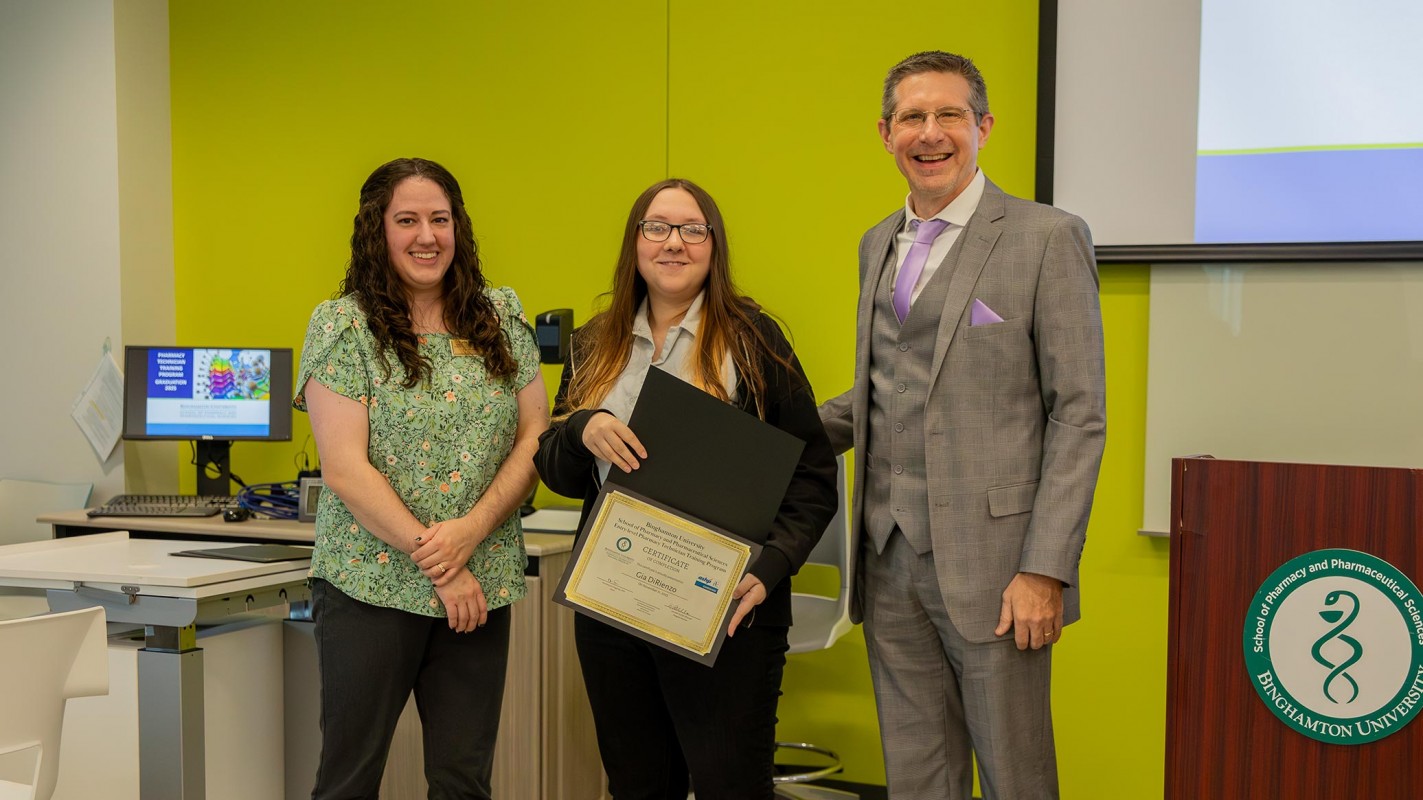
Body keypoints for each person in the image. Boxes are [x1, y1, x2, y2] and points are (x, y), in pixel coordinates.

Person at [818, 52, 1106, 799]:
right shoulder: (874, 242)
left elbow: (1078, 415)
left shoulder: (1047, 238)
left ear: (982, 127)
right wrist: (756, 427)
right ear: (885, 134)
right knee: (917, 777)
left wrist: (1046, 568)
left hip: (999, 568)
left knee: (1014, 777)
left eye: (949, 115)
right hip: (887, 562)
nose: (930, 133)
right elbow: (885, 388)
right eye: (911, 117)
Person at [533, 178, 838, 800]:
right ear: (635, 243)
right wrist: (581, 429)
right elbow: (558, 473)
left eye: (692, 229)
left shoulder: (755, 342)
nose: (674, 242)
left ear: (713, 245)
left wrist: (772, 565)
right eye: (657, 227)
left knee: (730, 784)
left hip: (727, 606)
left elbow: (811, 475)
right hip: (615, 603)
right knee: (638, 784)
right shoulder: (596, 342)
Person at [295, 157, 548, 799]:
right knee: (349, 780)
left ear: (458, 228)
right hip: (369, 583)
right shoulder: (342, 326)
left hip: (480, 587)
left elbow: (534, 438)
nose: (426, 236)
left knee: (463, 782)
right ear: (377, 232)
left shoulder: (500, 314)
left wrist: (473, 533)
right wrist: (443, 560)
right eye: (406, 220)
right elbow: (346, 469)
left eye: (439, 219)